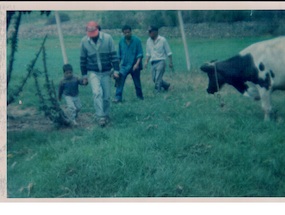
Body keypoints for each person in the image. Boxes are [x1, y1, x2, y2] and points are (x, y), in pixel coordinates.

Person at [80, 21, 120, 127]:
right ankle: (100, 116)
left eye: (94, 34)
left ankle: (106, 114)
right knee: (97, 93)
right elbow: (83, 60)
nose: (93, 37)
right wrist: (84, 76)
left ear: (99, 30)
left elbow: (113, 56)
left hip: (106, 72)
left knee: (106, 96)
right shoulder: (84, 41)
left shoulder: (108, 38)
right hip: (93, 72)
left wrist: (116, 71)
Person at [113, 25, 144, 103]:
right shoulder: (121, 41)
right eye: (125, 33)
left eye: (128, 32)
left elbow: (140, 54)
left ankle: (140, 97)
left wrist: (137, 64)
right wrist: (117, 69)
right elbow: (119, 56)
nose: (127, 34)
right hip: (124, 65)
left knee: (137, 82)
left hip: (135, 65)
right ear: (123, 33)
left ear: (131, 32)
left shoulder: (137, 40)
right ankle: (118, 97)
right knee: (120, 81)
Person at [144, 25, 173, 93]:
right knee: (154, 78)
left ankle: (157, 91)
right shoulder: (148, 41)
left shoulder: (162, 40)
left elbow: (169, 52)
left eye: (150, 31)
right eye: (149, 32)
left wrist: (170, 62)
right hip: (153, 62)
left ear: (156, 32)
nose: (149, 33)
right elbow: (148, 53)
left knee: (158, 78)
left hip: (161, 61)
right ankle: (167, 86)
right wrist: (146, 62)